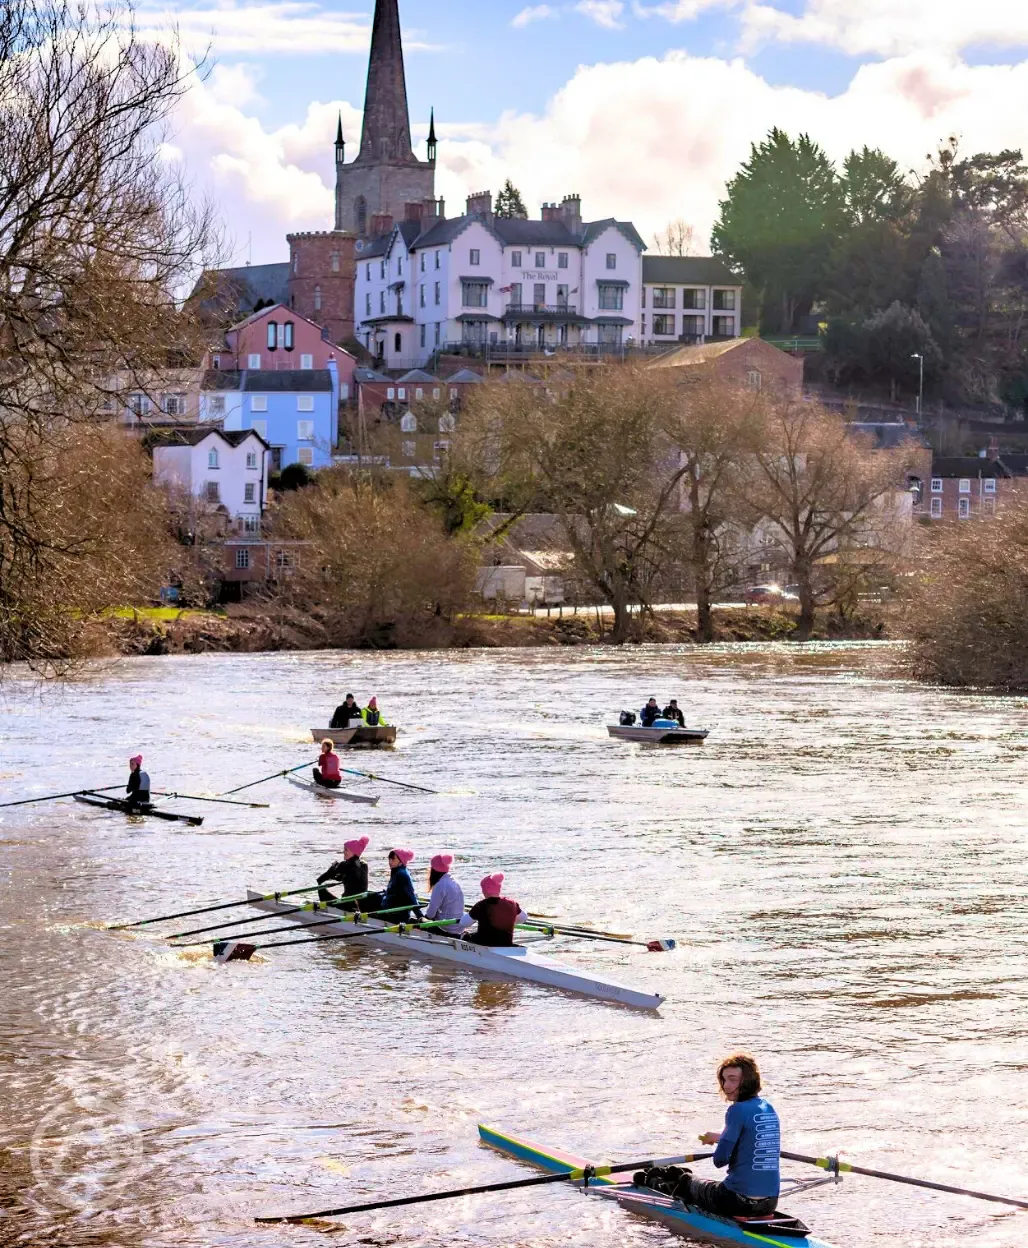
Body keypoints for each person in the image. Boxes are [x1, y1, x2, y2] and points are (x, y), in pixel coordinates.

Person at [636, 1053, 780, 1220]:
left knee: (685, 1180)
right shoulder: (768, 1108)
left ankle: (658, 1189)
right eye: (724, 1080)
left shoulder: (736, 1110)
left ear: (748, 1081)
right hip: (769, 1203)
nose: (726, 1086)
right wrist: (722, 1137)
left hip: (735, 1202)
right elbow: (751, 1138)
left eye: (733, 1079)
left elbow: (720, 1160)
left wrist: (723, 1143)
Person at [463, 874, 528, 948]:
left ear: (485, 890)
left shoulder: (481, 905)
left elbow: (463, 923)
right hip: (506, 943)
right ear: (499, 889)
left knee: (465, 935)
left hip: (485, 943)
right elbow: (523, 919)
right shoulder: (512, 903)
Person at [360, 848, 420, 923]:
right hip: (390, 908)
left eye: (393, 859)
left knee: (363, 901)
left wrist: (420, 916)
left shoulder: (401, 875)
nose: (390, 862)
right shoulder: (396, 872)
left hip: (395, 914)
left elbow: (411, 896)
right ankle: (365, 919)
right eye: (389, 859)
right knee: (368, 897)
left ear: (401, 861)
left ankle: (364, 922)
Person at [317, 836, 370, 905]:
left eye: (346, 850)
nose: (343, 852)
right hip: (361, 905)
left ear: (353, 852)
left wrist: (331, 869)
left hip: (347, 904)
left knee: (320, 888)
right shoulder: (364, 865)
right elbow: (348, 878)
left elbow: (323, 878)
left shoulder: (345, 865)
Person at [423, 854, 469, 933]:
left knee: (418, 919)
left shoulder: (440, 885)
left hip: (446, 927)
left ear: (434, 870)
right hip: (459, 926)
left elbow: (431, 913)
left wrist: (424, 918)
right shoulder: (454, 881)